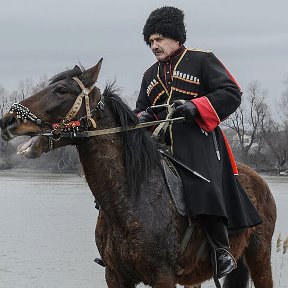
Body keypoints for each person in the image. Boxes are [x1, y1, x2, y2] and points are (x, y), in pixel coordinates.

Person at [134, 6, 262, 282]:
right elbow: (141, 110)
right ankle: (122, 246)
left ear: (175, 37)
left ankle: (220, 251)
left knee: (201, 184)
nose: (154, 45)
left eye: (158, 39)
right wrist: (142, 117)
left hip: (199, 140)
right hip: (160, 145)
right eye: (150, 42)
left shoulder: (202, 60)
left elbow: (231, 93)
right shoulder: (149, 75)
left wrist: (196, 106)